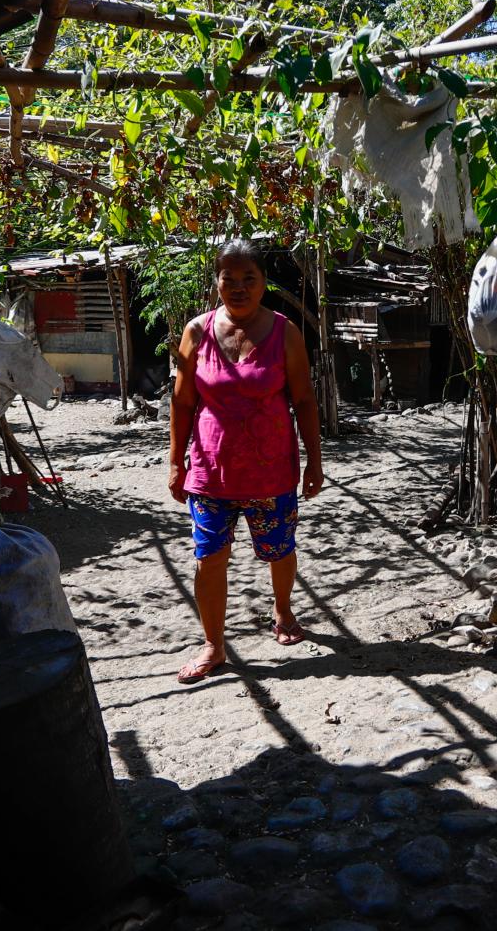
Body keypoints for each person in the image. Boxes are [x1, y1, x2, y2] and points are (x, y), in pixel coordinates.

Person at [168, 239, 323, 681]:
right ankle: (214, 645)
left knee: (279, 549)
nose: (238, 287)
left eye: (248, 278)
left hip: (271, 471)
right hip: (210, 470)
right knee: (209, 556)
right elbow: (181, 404)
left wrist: (315, 462)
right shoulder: (196, 333)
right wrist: (176, 463)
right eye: (228, 279)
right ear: (216, 281)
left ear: (263, 283)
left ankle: (283, 612)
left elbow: (305, 401)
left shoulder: (284, 332)